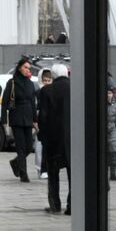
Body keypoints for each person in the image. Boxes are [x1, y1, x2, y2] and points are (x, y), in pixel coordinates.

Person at [37, 63, 71, 215]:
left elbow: (42, 116)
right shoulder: (76, 89)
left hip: (53, 139)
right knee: (73, 174)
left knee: (53, 173)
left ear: (53, 76)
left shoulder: (46, 91)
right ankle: (72, 205)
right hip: (72, 139)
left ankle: (55, 204)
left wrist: (42, 136)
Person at [0, 56, 38, 183]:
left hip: (28, 117)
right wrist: (4, 121)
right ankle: (23, 174)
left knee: (28, 147)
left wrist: (35, 120)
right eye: (25, 67)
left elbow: (33, 102)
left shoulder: (31, 83)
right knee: (21, 147)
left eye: (29, 68)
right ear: (20, 68)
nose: (28, 70)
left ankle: (15, 162)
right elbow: (5, 102)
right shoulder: (12, 83)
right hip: (16, 117)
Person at [36, 69, 53, 179]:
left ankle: (46, 168)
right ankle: (41, 168)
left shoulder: (53, 92)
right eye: (45, 80)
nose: (47, 82)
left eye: (49, 80)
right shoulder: (38, 93)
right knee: (39, 147)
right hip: (40, 123)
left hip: (50, 123)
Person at [106, 88, 116, 186]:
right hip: (103, 130)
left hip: (112, 130)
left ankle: (113, 173)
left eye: (110, 93)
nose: (108, 95)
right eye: (107, 93)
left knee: (113, 150)